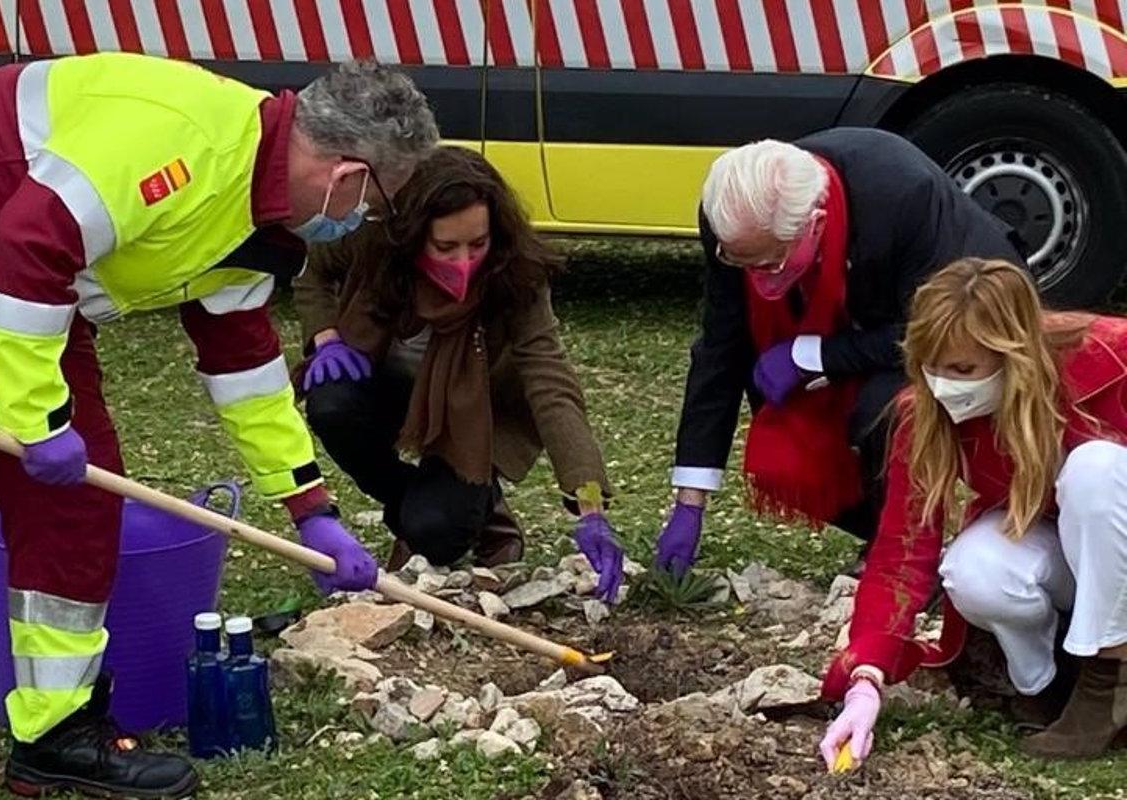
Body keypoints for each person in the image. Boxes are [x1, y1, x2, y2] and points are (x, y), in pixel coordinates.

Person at [0, 54, 438, 800]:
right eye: (376, 204)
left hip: (23, 284)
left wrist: (308, 508)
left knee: (79, 504)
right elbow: (31, 242)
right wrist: (36, 423)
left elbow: (242, 364)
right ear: (349, 175)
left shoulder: (262, 220)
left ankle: (55, 733)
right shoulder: (181, 141)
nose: (361, 222)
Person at [655, 129, 1025, 579]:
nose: (754, 276)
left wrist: (820, 355)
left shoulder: (902, 196)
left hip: (957, 322)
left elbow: (937, 334)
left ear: (813, 225)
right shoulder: (733, 220)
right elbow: (721, 346)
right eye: (740, 262)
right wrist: (690, 499)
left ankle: (910, 554)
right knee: (783, 412)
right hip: (842, 321)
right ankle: (882, 532)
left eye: (769, 263)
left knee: (884, 410)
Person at [819, 259, 1127, 769]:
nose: (942, 385)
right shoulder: (924, 413)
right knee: (974, 568)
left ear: (1015, 355)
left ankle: (1110, 677)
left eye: (962, 370)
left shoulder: (1110, 359)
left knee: (1094, 471)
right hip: (1073, 553)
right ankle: (1044, 684)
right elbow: (901, 550)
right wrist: (865, 679)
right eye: (931, 367)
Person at [294, 146, 624, 602]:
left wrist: (589, 505)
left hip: (474, 416)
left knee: (435, 534)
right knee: (332, 404)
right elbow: (311, 271)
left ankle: (457, 514)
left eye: (478, 244)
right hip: (387, 387)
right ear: (412, 235)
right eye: (446, 246)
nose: (464, 261)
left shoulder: (517, 274)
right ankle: (438, 506)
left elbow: (549, 379)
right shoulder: (370, 237)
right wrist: (325, 338)